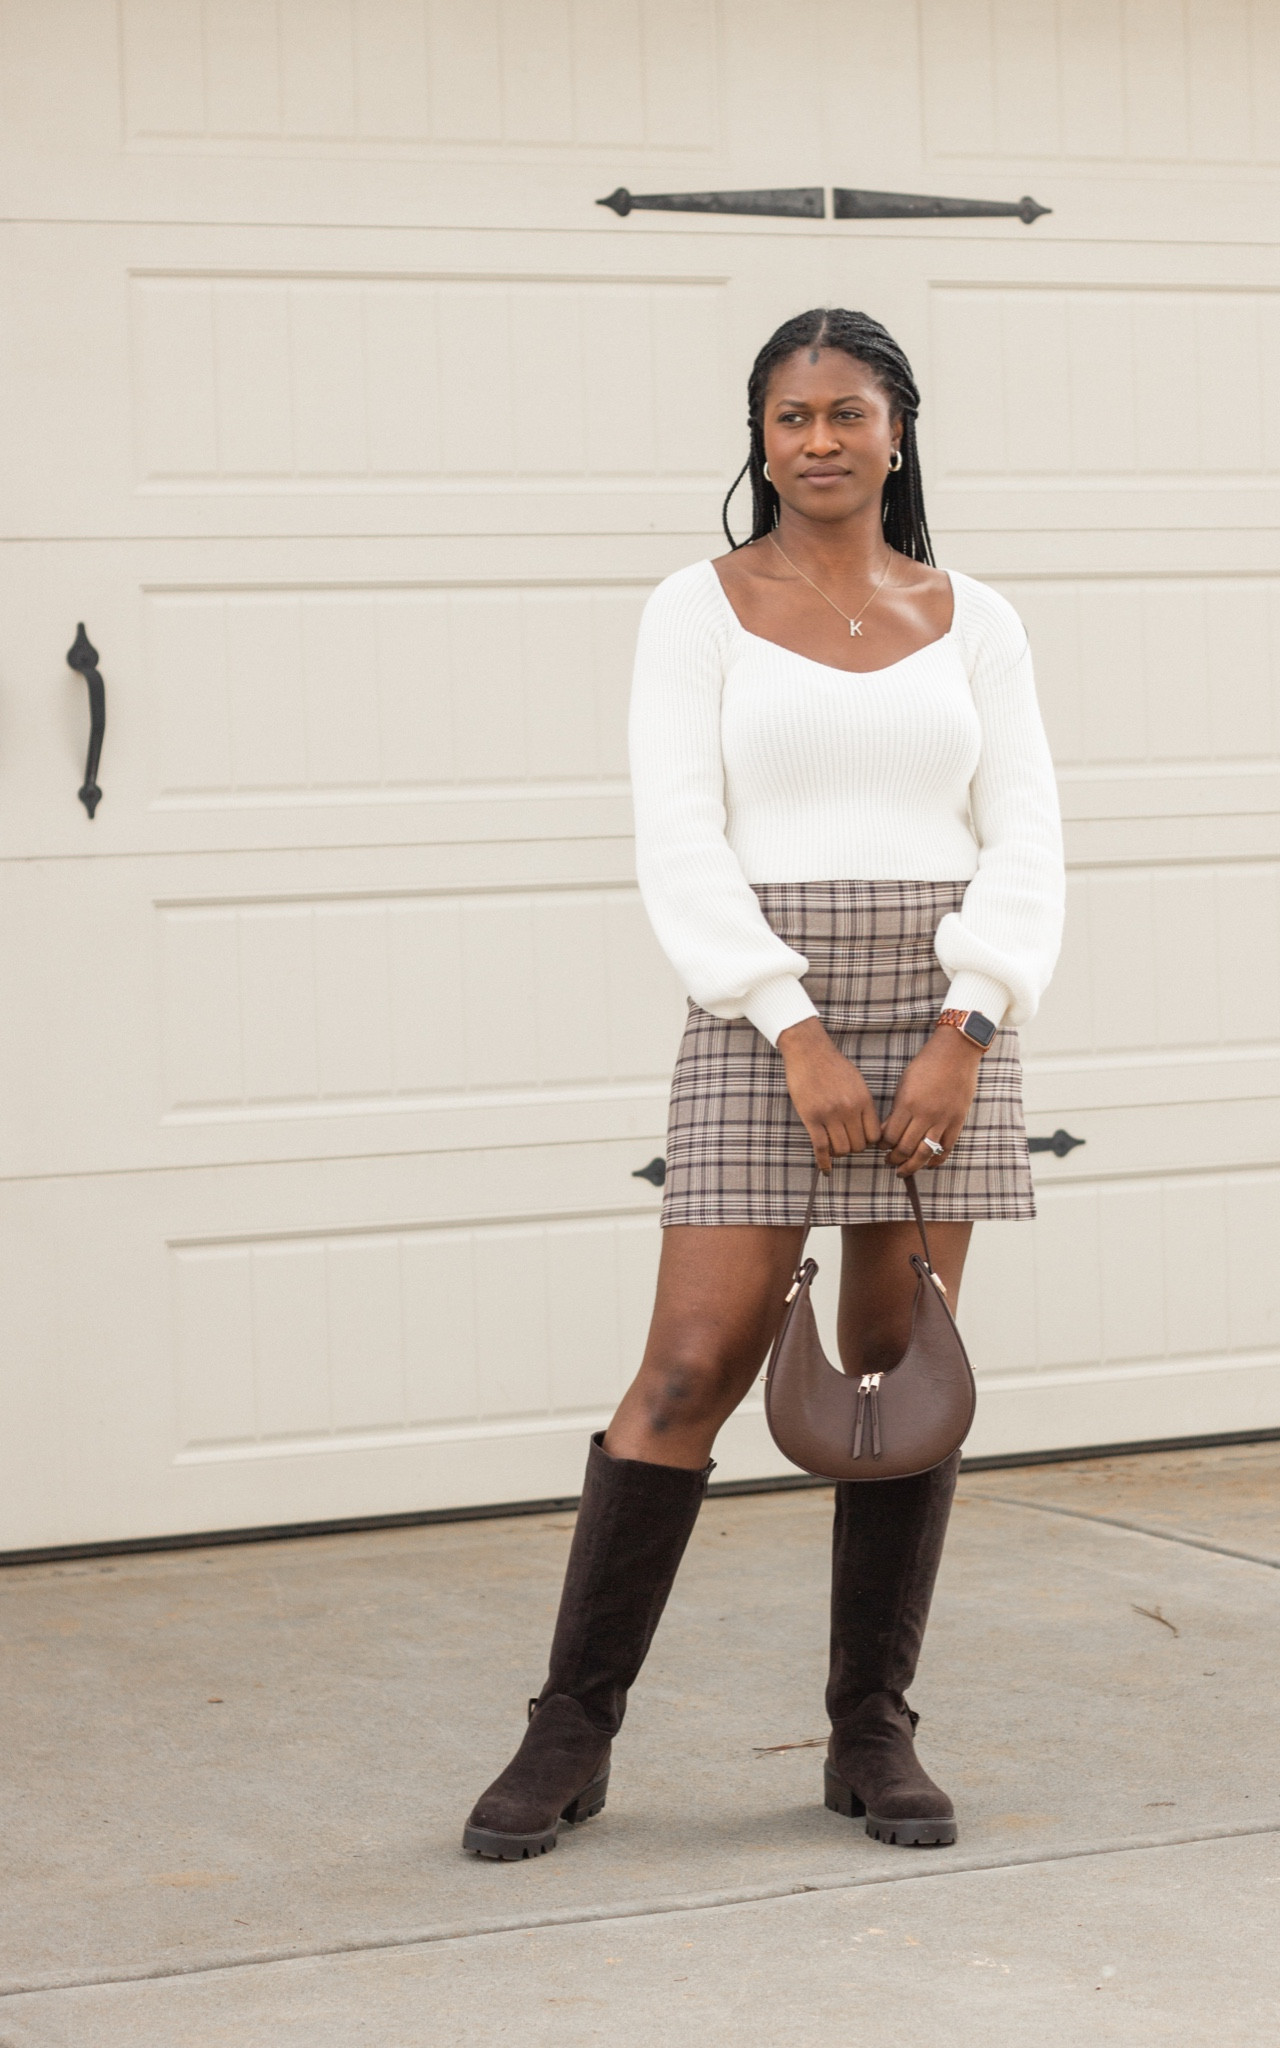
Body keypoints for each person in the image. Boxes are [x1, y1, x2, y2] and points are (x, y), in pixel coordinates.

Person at [462, 307, 1064, 1860]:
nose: (817, 441)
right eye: (789, 417)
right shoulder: (697, 609)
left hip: (941, 1012)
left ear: (897, 431)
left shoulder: (975, 617)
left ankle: (872, 1732)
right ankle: (570, 1735)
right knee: (688, 1369)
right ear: (760, 436)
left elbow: (1030, 840)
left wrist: (969, 1025)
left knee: (890, 1369)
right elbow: (679, 836)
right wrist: (785, 1023)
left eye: (846, 413)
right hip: (759, 1012)